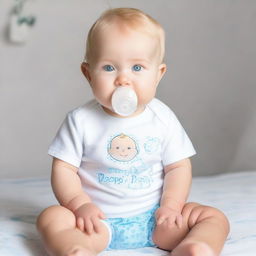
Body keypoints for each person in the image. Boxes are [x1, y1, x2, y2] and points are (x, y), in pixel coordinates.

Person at [36, 7, 230, 256]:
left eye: (137, 68)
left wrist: (171, 207)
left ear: (158, 75)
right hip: (96, 222)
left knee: (212, 216)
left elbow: (178, 167)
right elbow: (64, 169)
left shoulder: (162, 118)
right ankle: (76, 249)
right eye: (109, 68)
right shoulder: (80, 120)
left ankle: (196, 248)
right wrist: (80, 205)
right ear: (88, 74)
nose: (123, 80)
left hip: (156, 221)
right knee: (52, 217)